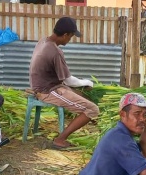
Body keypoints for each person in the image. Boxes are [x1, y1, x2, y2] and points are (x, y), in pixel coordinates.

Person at [29, 16, 100, 149]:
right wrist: (87, 82)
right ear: (65, 34)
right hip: (47, 91)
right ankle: (60, 140)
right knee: (92, 109)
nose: (70, 39)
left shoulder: (44, 41)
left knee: (82, 95)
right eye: (71, 36)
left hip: (47, 85)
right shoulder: (55, 51)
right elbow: (68, 80)